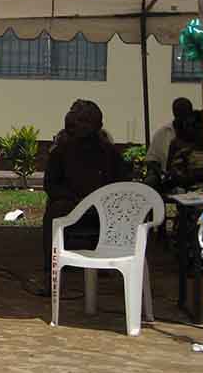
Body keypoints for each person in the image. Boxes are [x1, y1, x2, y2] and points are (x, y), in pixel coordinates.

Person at [42, 101, 129, 291]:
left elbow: (123, 185)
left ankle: (111, 259)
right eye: (78, 121)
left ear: (97, 125)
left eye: (87, 122)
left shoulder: (110, 154)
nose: (82, 126)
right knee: (55, 210)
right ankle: (52, 271)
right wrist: (76, 200)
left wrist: (101, 201)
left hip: (104, 211)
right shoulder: (61, 152)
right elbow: (50, 185)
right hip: (71, 206)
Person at [146, 97, 194, 185]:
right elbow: (151, 160)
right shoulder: (163, 133)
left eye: (186, 113)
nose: (183, 116)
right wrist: (161, 174)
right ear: (174, 113)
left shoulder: (197, 131)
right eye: (179, 112)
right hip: (167, 177)